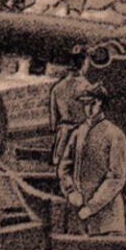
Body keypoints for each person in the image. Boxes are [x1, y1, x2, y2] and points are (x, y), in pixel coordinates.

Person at [60, 82, 126, 236]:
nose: (88, 109)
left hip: (107, 220)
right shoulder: (78, 133)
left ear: (101, 104)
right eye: (85, 104)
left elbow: (116, 177)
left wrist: (92, 207)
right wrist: (71, 191)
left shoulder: (114, 134)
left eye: (92, 104)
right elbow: (64, 167)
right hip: (79, 215)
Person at [47, 43, 93, 172]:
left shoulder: (57, 87)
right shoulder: (87, 86)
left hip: (62, 136)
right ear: (84, 63)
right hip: (82, 136)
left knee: (60, 168)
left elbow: (53, 121)